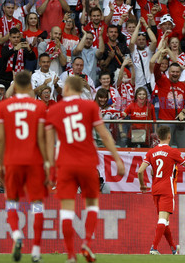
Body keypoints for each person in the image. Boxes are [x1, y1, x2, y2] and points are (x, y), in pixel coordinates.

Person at [45, 76, 125, 263]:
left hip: (65, 165)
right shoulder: (90, 107)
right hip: (87, 163)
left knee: (66, 210)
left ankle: (71, 255)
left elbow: (49, 143)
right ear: (80, 90)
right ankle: (87, 242)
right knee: (92, 205)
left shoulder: (55, 110)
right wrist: (117, 159)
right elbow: (104, 135)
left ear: (66, 88)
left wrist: (49, 168)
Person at [0, 71, 49, 262]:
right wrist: (47, 164)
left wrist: (0, 165)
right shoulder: (39, 107)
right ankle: (35, 251)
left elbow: (0, 139)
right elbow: (42, 139)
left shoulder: (3, 106)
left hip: (12, 161)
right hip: (34, 162)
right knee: (37, 205)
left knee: (12, 201)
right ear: (30, 87)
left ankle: (17, 234)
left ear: (15, 86)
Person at [137, 125, 185, 255]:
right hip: (167, 188)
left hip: (155, 189)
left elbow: (140, 171)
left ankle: (173, 248)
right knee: (162, 219)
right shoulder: (173, 152)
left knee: (164, 220)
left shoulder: (151, 152)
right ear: (169, 136)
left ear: (158, 137)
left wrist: (142, 185)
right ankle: (153, 248)